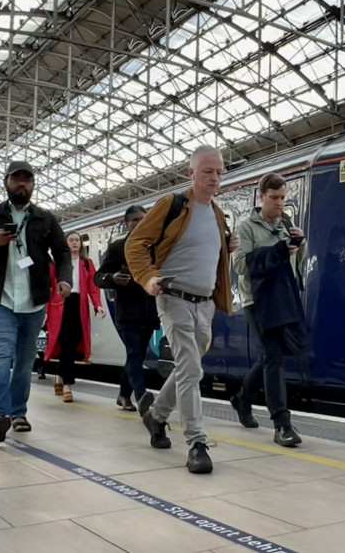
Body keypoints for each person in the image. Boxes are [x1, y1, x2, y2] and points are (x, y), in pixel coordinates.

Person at [125, 145, 239, 474]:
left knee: (187, 368)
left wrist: (227, 248)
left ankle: (156, 416)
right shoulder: (172, 205)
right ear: (191, 173)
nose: (215, 177)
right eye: (207, 171)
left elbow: (208, 255)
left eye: (219, 171)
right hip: (173, 297)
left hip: (204, 305)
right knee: (192, 369)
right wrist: (147, 278)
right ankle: (197, 442)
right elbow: (136, 243)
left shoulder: (218, 214)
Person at [0, 160, 72, 442]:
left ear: (33, 184)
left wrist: (64, 278)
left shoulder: (45, 218)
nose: (22, 184)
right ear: (6, 182)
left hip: (34, 302)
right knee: (2, 354)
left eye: (27, 180)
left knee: (23, 361)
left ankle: (18, 413)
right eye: (16, 179)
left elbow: (62, 252)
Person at [231, 173, 307, 447]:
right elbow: (240, 265)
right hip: (257, 301)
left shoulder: (287, 224)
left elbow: (294, 264)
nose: (279, 203)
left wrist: (299, 245)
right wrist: (278, 250)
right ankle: (282, 424)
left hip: (282, 300)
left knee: (271, 356)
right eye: (274, 198)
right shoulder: (246, 227)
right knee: (273, 356)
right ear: (261, 197)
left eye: (283, 198)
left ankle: (242, 398)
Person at [97, 205, 159, 413]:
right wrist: (112, 279)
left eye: (143, 218)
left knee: (138, 355)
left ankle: (123, 395)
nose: (140, 223)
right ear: (127, 223)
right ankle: (142, 397)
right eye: (135, 220)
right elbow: (99, 277)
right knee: (134, 352)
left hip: (148, 310)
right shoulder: (117, 248)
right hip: (127, 311)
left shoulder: (155, 248)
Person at [44, 231, 103, 403]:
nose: (75, 243)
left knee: (75, 341)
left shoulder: (87, 264)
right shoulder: (58, 263)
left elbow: (93, 287)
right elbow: (51, 287)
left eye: (77, 240)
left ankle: (59, 375)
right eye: (71, 240)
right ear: (66, 243)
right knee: (66, 343)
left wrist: (97, 305)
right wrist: (45, 311)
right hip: (61, 305)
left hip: (79, 306)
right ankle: (68, 385)